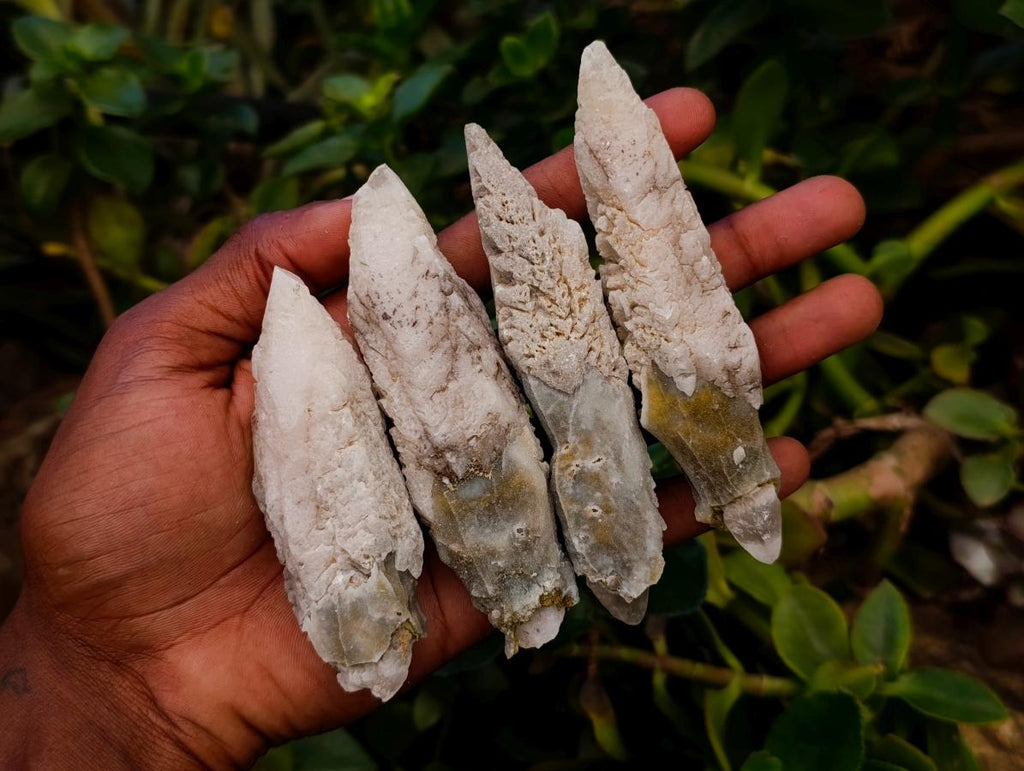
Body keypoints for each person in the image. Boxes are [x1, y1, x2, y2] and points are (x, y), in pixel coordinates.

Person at [0, 87, 881, 768]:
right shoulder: (312, 350)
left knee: (628, 383)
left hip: (571, 358)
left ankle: (664, 500)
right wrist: (102, 670)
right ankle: (535, 563)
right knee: (479, 441)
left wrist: (105, 679)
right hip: (402, 377)